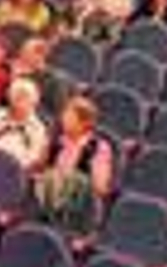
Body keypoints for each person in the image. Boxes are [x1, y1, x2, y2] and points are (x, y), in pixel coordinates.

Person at [34, 97, 116, 233]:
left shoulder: (98, 148)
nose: (63, 120)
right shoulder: (57, 141)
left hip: (78, 209)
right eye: (64, 116)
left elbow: (100, 187)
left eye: (69, 117)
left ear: (84, 123)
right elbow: (39, 168)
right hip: (49, 202)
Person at [0, 78, 51, 172]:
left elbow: (33, 158)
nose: (20, 102)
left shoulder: (37, 128)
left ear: (33, 102)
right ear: (10, 98)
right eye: (17, 97)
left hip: (13, 172)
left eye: (25, 98)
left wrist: (13, 167)